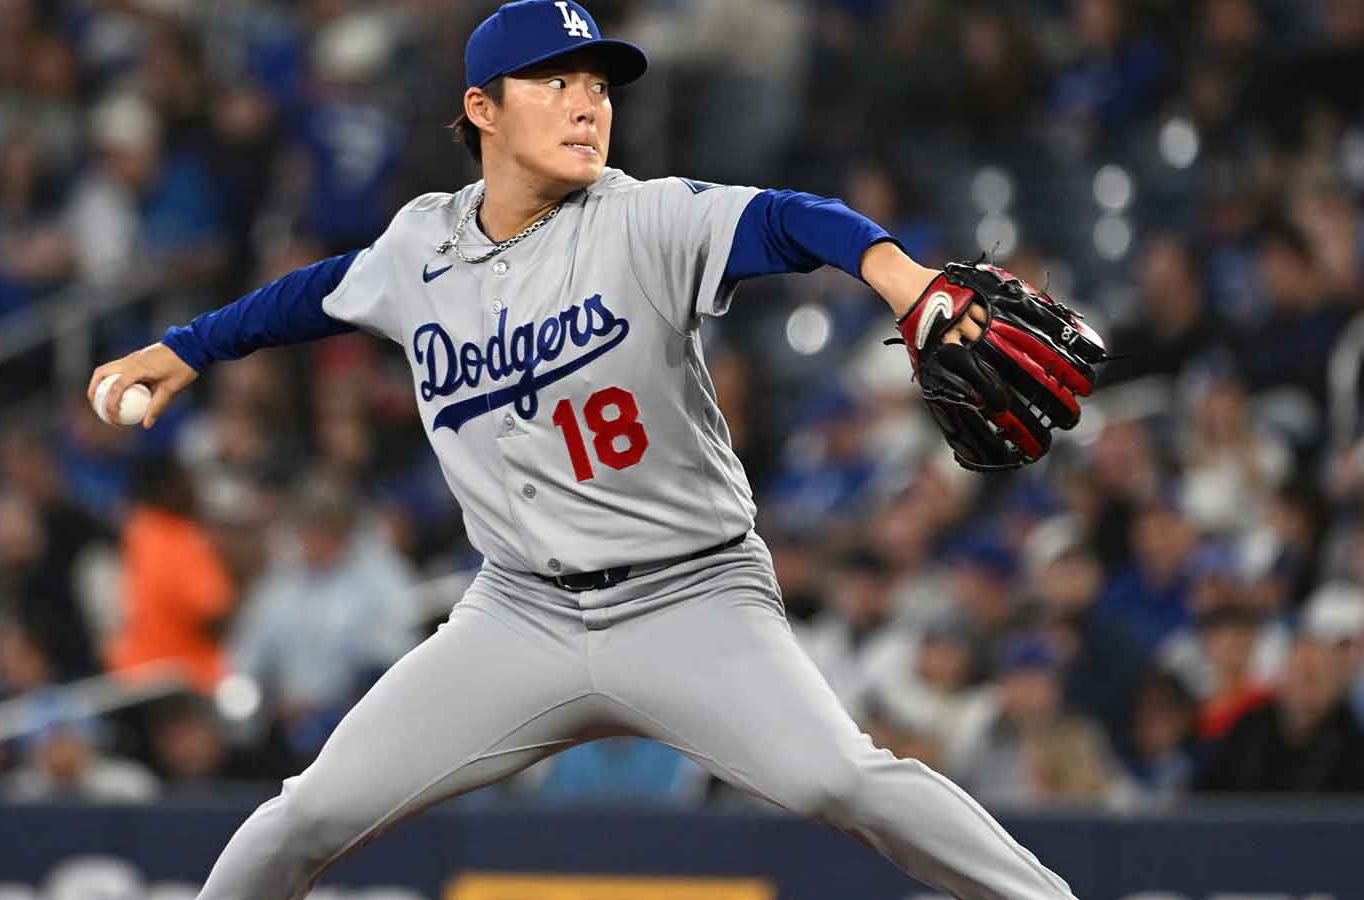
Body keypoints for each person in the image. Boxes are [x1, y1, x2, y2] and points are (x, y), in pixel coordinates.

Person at [89, 3, 1078, 897]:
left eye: (598, 84)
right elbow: (307, 296)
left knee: (843, 781)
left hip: (692, 600)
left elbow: (790, 218)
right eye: (555, 81)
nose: (586, 105)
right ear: (481, 106)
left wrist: (901, 278)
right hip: (516, 616)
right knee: (303, 818)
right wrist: (186, 347)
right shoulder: (417, 249)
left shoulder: (641, 218)